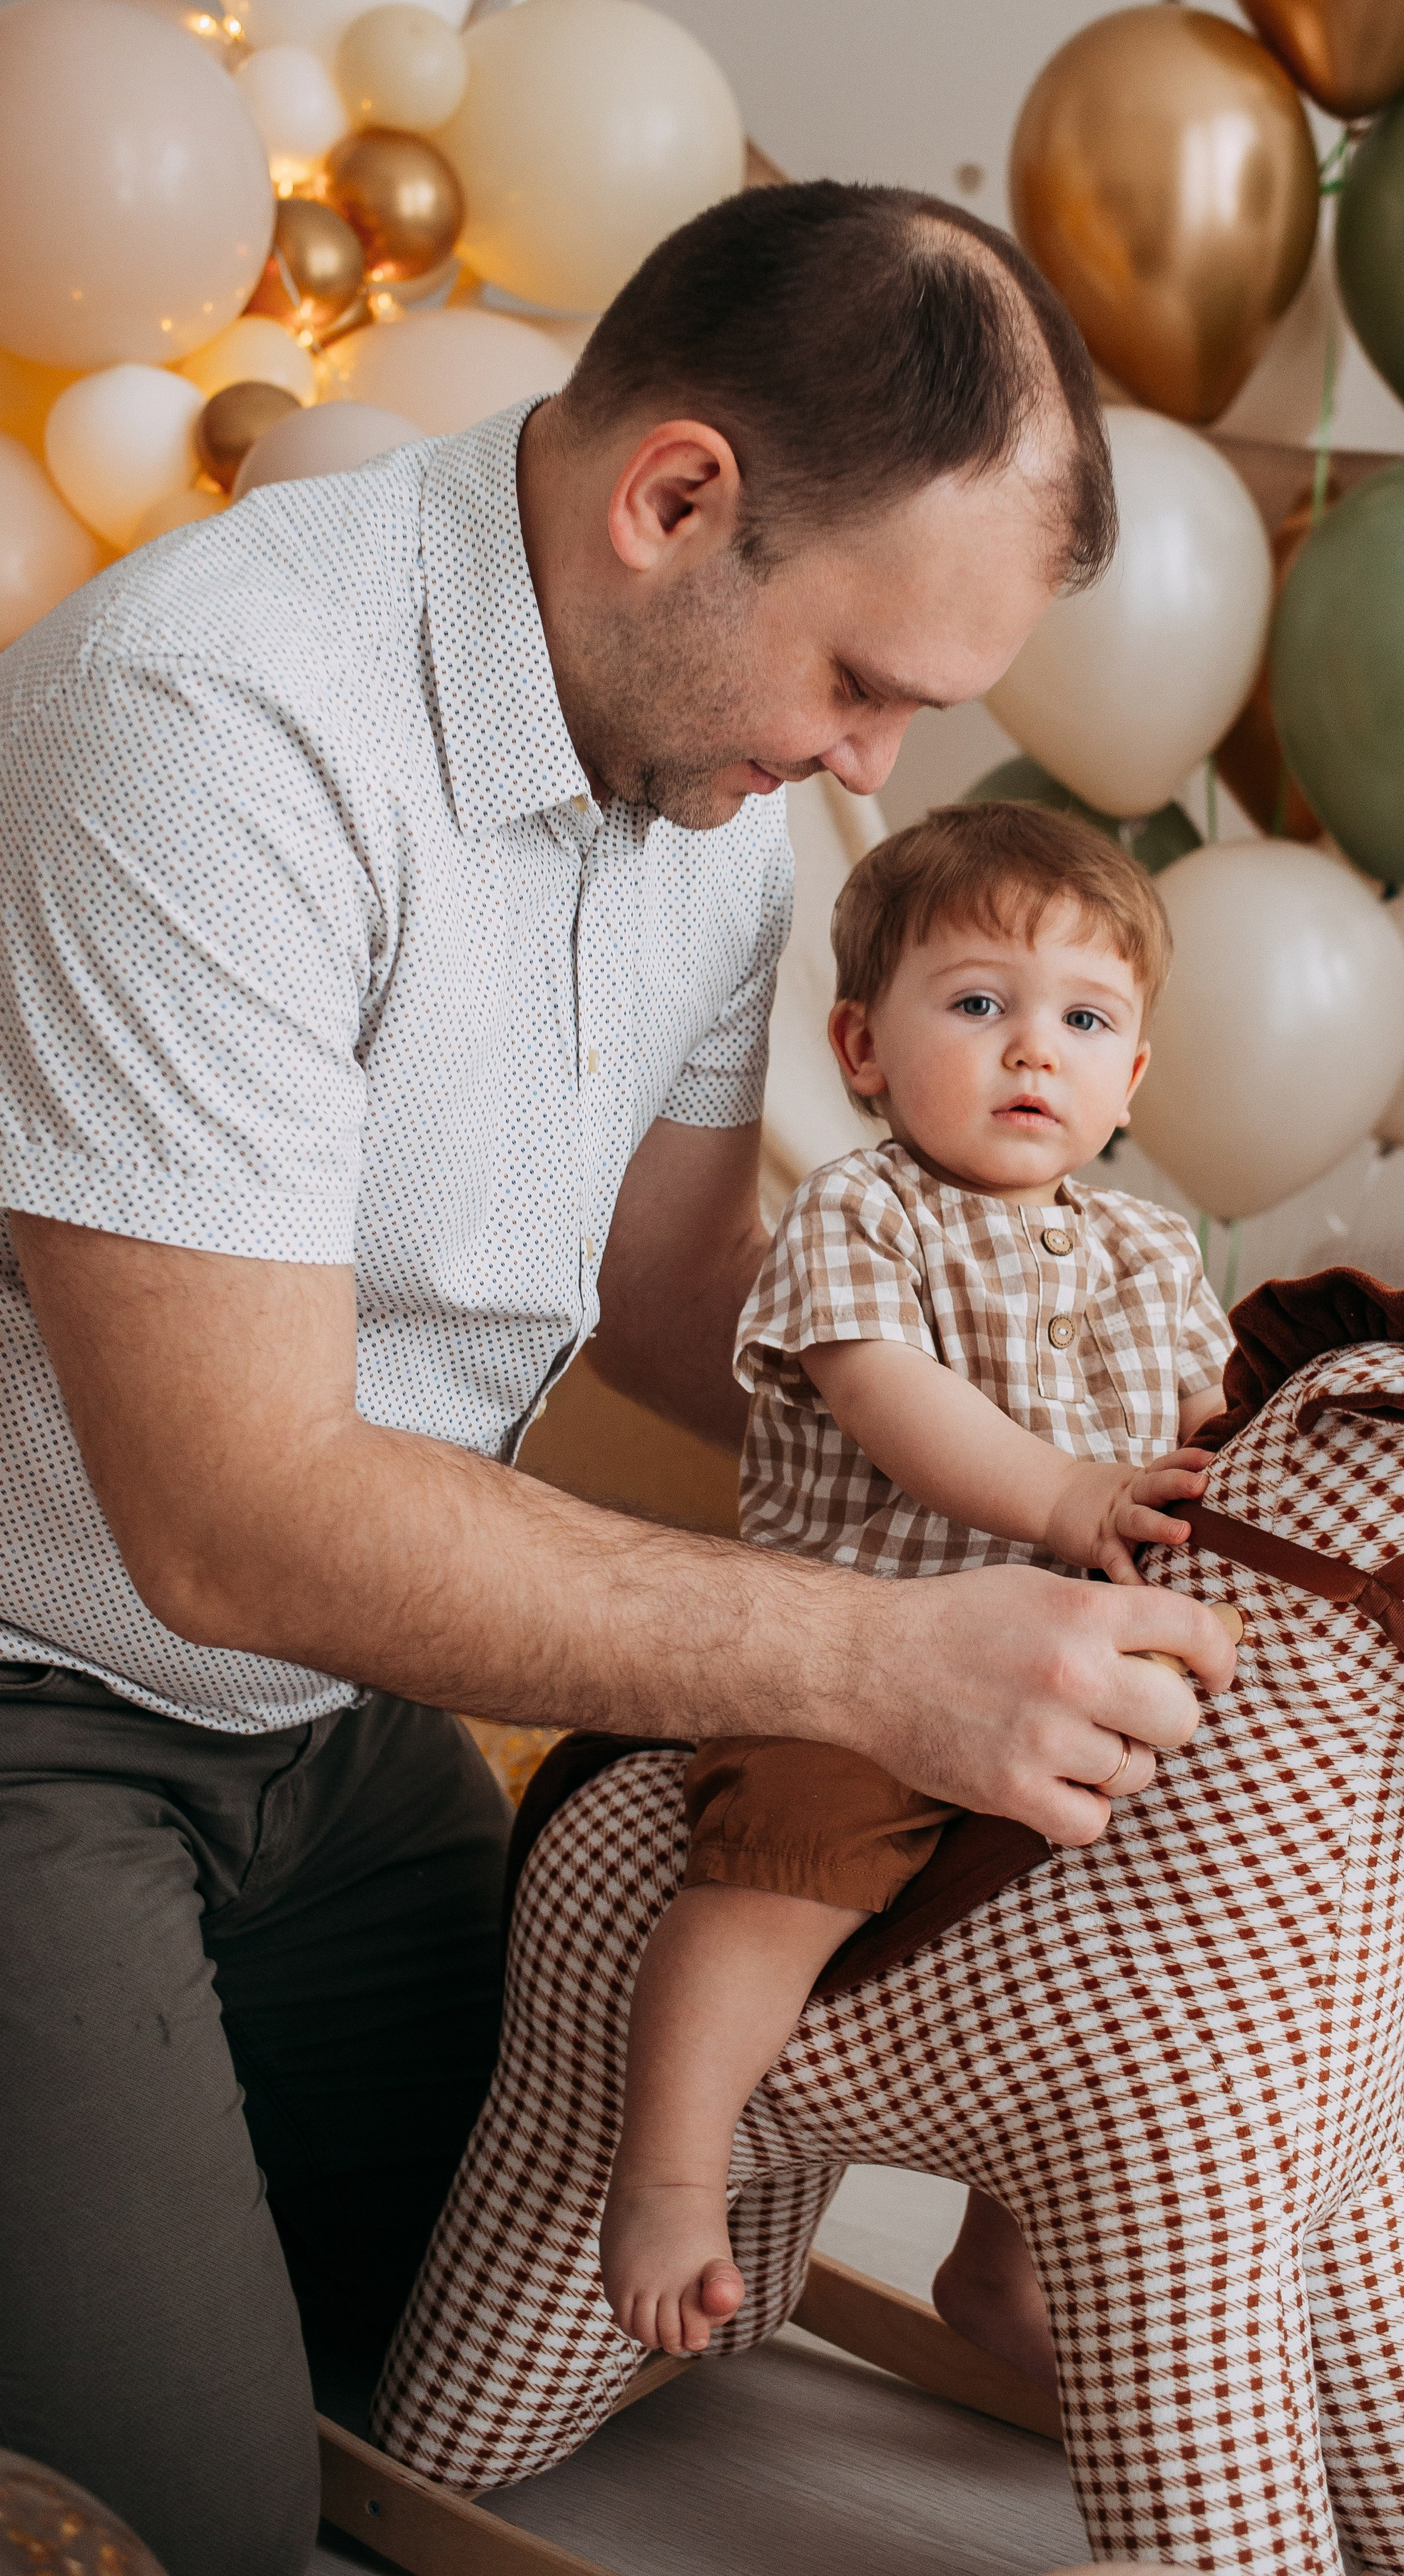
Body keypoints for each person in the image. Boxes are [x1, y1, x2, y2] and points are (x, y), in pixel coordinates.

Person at [0, 182, 1233, 2576]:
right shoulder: (209, 717)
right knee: (186, 2518)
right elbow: (231, 1514)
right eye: (865, 681)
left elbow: (694, 1295)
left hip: (329, 1715)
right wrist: (888, 1655)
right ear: (676, 499)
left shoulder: (709, 798)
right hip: (48, 1685)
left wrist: (1082, 1437)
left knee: (549, 2293)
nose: (874, 763)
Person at [599, 801, 1238, 2388]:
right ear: (861, 1046)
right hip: (866, 1672)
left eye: (1083, 1021)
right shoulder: (858, 1211)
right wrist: (1068, 1497)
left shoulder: (1152, 1255)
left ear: (1132, 1078)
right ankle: (670, 2179)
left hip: (1065, 1686)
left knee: (1115, 1963)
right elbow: (890, 1397)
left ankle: (1005, 2258)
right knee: (783, 1862)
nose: (1035, 1052)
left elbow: (1212, 1434)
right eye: (977, 1006)